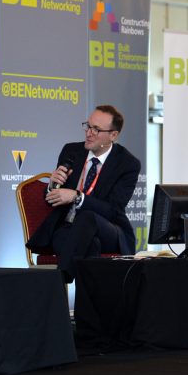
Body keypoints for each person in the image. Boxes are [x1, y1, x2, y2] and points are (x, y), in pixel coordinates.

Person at [26, 105, 140, 283]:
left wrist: (77, 197)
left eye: (97, 129)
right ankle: (87, 310)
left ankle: (59, 279)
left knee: (88, 217)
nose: (89, 133)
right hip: (67, 230)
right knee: (90, 245)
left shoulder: (127, 164)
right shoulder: (71, 151)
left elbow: (113, 210)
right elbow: (51, 202)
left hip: (108, 230)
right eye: (88, 126)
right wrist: (52, 187)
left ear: (113, 135)